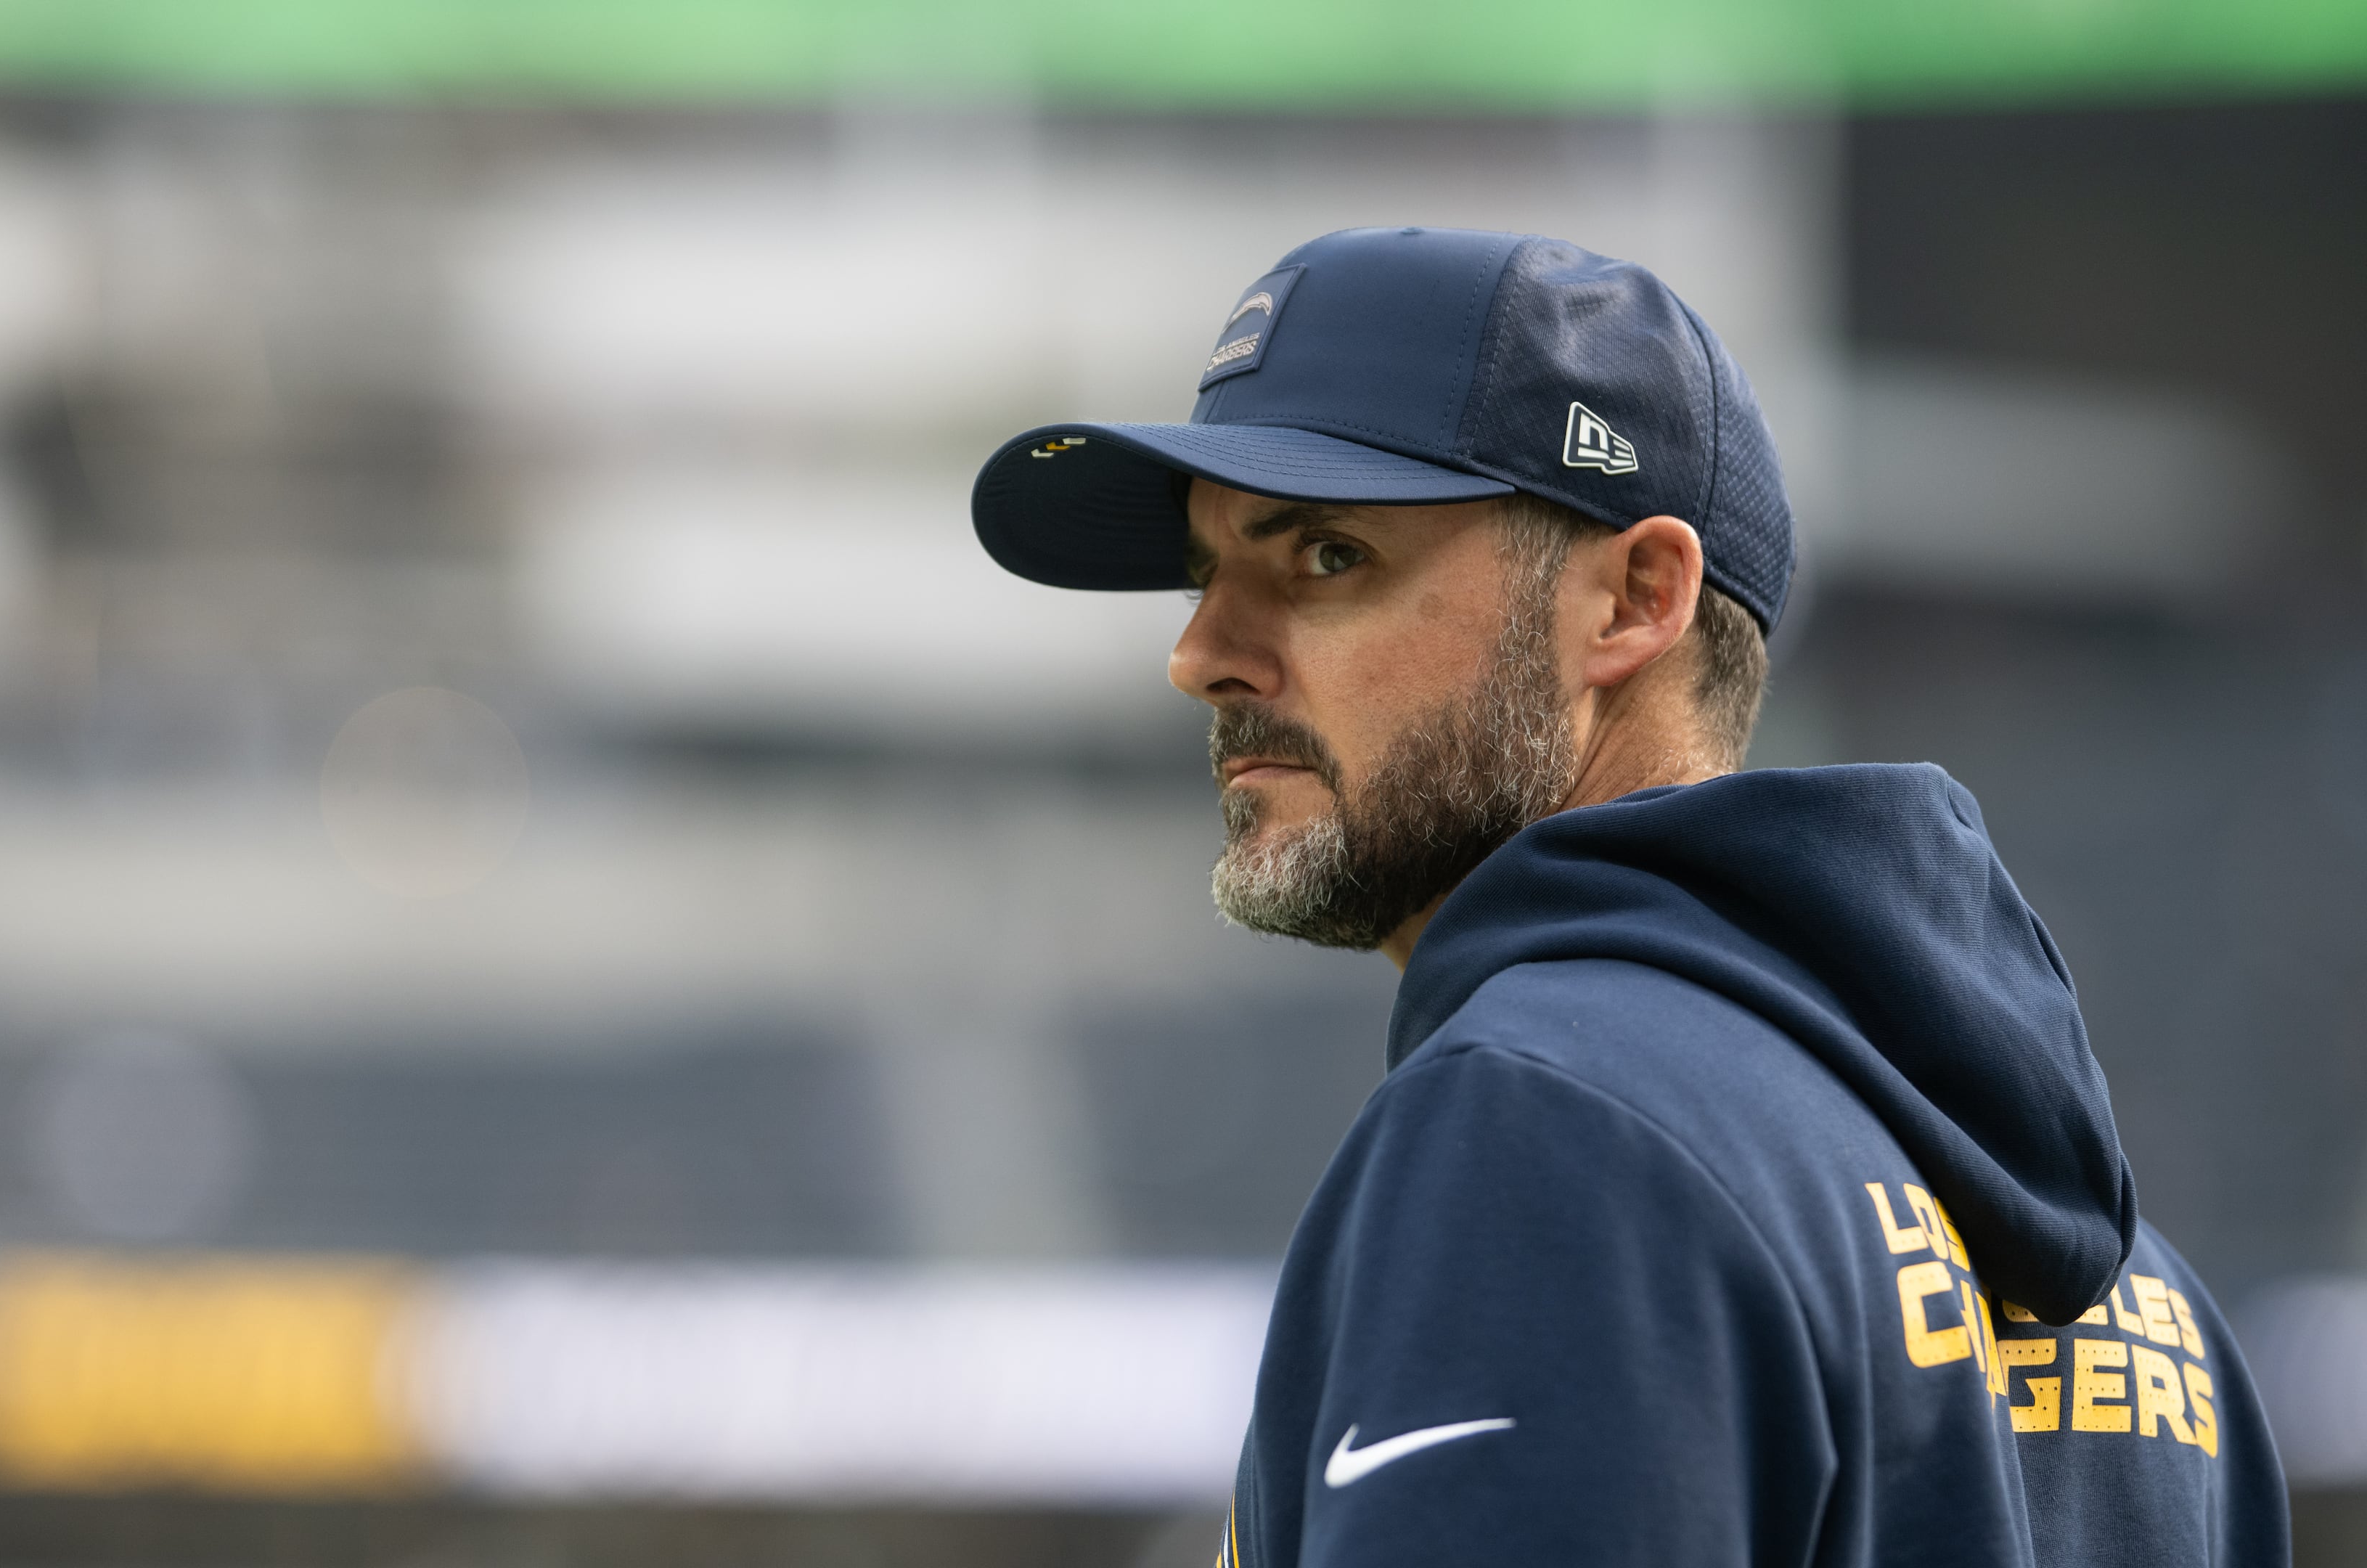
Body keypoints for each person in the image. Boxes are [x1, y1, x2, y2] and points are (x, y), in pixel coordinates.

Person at [967, 228, 2287, 1567]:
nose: (1202, 657)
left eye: (1324, 557)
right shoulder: (2149, 1301)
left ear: (1634, 600)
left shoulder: (1546, 1127)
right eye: (1206, 579)